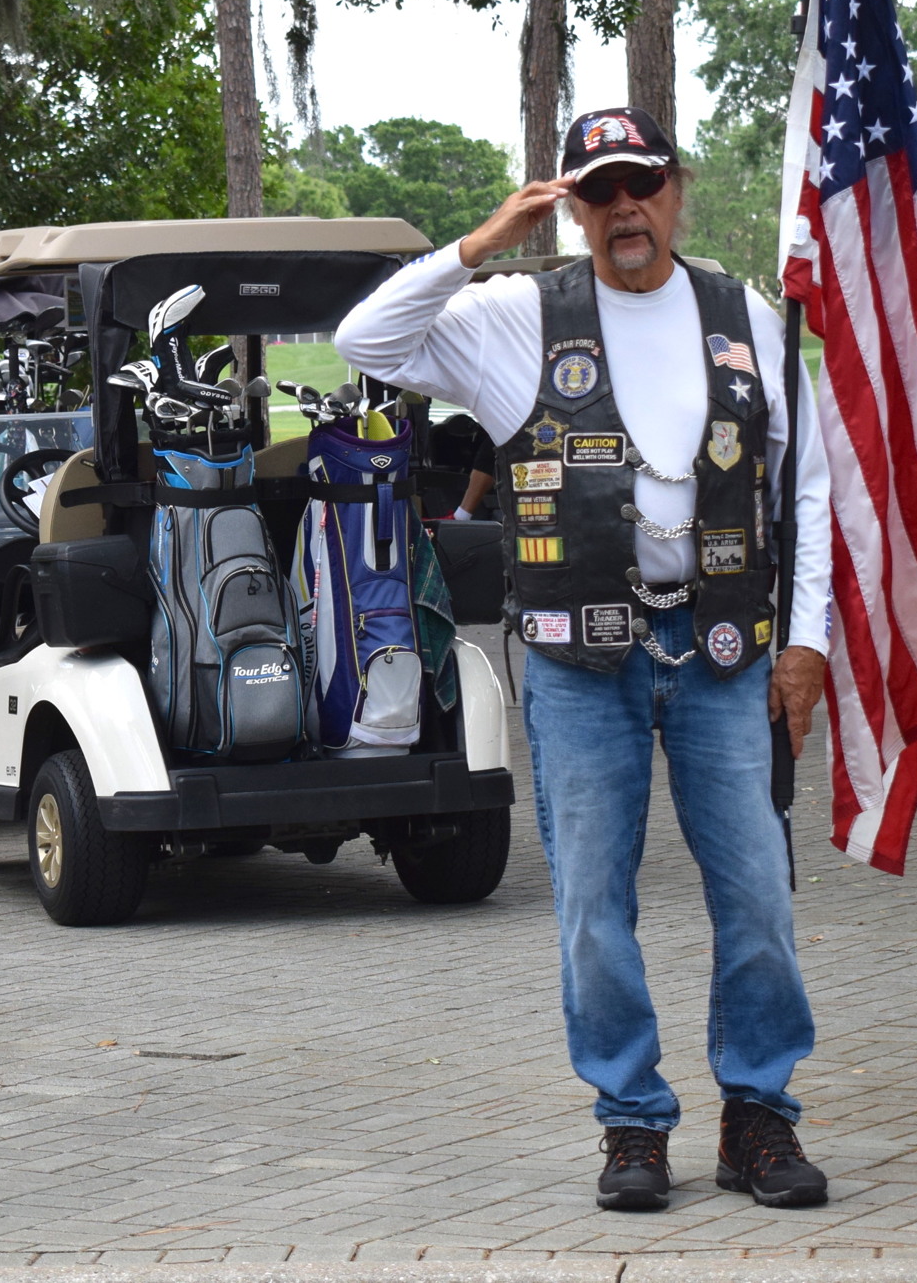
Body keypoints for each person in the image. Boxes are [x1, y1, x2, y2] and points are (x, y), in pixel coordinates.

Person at [337, 107, 833, 1213]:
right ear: (571, 204)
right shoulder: (516, 316)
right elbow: (363, 343)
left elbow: (805, 488)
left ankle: (757, 1113)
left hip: (721, 649)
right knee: (591, 906)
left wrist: (807, 641)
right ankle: (630, 1123)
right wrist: (479, 241)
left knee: (755, 890)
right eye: (596, 190)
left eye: (640, 182)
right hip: (576, 658)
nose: (623, 208)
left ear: (675, 186)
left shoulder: (745, 312)